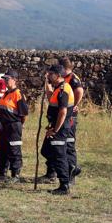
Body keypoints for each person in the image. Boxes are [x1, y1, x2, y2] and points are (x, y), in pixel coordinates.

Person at [40, 65, 75, 195]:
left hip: (59, 128)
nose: (48, 75)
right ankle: (70, 168)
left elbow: (63, 112)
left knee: (59, 156)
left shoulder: (63, 90)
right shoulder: (57, 88)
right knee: (46, 151)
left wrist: (55, 129)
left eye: (50, 74)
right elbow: (50, 97)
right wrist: (46, 83)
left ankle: (64, 185)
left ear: (58, 75)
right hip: (54, 127)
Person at [0, 70, 29, 183]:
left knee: (14, 150)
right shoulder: (5, 94)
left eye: (7, 79)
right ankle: (2, 173)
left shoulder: (18, 94)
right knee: (3, 150)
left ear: (14, 80)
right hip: (3, 127)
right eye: (4, 79)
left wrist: (18, 125)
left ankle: (15, 175)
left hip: (13, 126)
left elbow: (23, 114)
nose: (5, 81)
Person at [59, 57, 83, 184]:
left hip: (71, 116)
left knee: (69, 143)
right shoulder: (66, 78)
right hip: (66, 115)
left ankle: (72, 173)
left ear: (63, 68)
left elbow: (79, 91)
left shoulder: (73, 79)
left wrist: (74, 105)